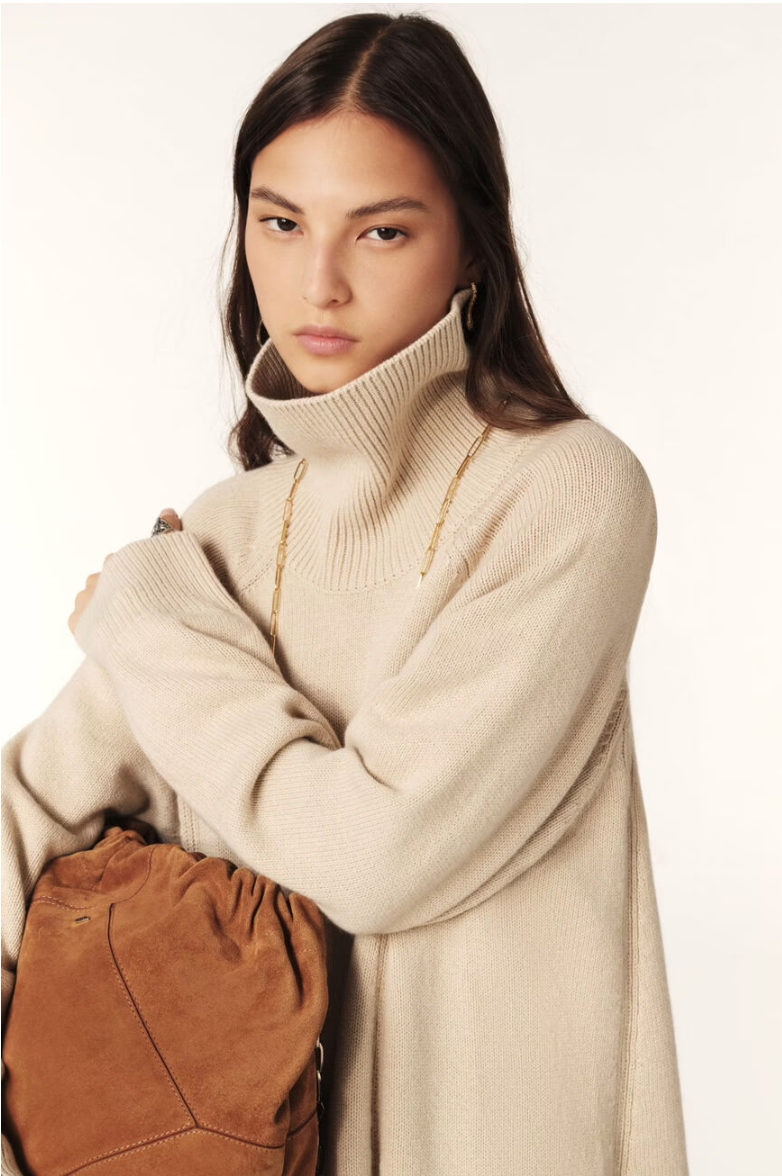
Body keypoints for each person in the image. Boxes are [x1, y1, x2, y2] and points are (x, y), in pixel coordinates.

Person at [1, 11, 690, 1175]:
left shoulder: (567, 493)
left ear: (470, 244)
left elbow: (376, 856)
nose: (314, 281)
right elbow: (24, 818)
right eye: (278, 222)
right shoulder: (218, 538)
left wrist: (150, 621)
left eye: (379, 230)